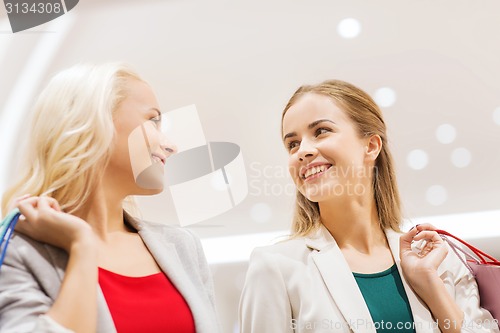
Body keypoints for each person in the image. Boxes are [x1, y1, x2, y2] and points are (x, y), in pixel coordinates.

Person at [239, 80, 499, 333]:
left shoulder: (436, 260)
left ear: (371, 146)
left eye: (321, 131)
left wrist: (432, 288)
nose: (302, 151)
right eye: (292, 144)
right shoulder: (275, 267)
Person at [0, 63, 220, 333]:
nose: (172, 146)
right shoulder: (16, 253)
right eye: (152, 120)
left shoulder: (183, 246)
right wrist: (81, 246)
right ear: (93, 122)